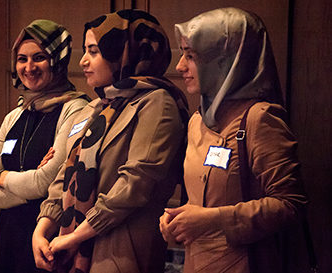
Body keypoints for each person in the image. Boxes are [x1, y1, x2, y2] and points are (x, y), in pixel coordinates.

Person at [32, 9, 189, 273]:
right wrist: (42, 228)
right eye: (85, 51)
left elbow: (134, 185)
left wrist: (74, 237)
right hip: (73, 247)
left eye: (94, 51)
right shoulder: (97, 106)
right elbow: (65, 174)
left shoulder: (157, 102)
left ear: (123, 54)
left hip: (120, 250)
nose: (82, 61)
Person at [159, 7, 308, 273]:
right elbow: (201, 201)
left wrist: (214, 220)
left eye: (191, 56)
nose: (180, 66)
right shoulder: (197, 120)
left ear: (226, 60)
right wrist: (175, 220)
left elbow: (290, 205)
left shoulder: (260, 119)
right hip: (196, 263)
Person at [0, 19, 89, 273]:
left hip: (48, 242)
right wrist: (29, 185)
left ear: (57, 61)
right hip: (8, 241)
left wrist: (3, 177)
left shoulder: (76, 109)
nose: (29, 67)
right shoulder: (14, 116)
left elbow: (47, 182)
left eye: (39, 58)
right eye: (22, 59)